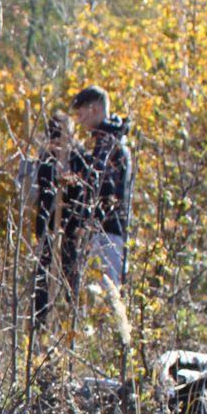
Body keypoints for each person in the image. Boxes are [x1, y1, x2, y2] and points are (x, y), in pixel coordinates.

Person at [70, 85, 132, 292]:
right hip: (106, 232)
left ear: (94, 109)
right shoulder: (109, 142)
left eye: (80, 114)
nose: (79, 121)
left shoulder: (110, 145)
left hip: (108, 233)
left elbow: (102, 187)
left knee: (105, 297)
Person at [30, 111, 85, 331]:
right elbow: (38, 192)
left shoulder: (79, 157)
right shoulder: (45, 159)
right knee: (43, 277)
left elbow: (83, 193)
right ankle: (40, 326)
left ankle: (74, 321)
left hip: (69, 229)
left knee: (71, 275)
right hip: (47, 227)